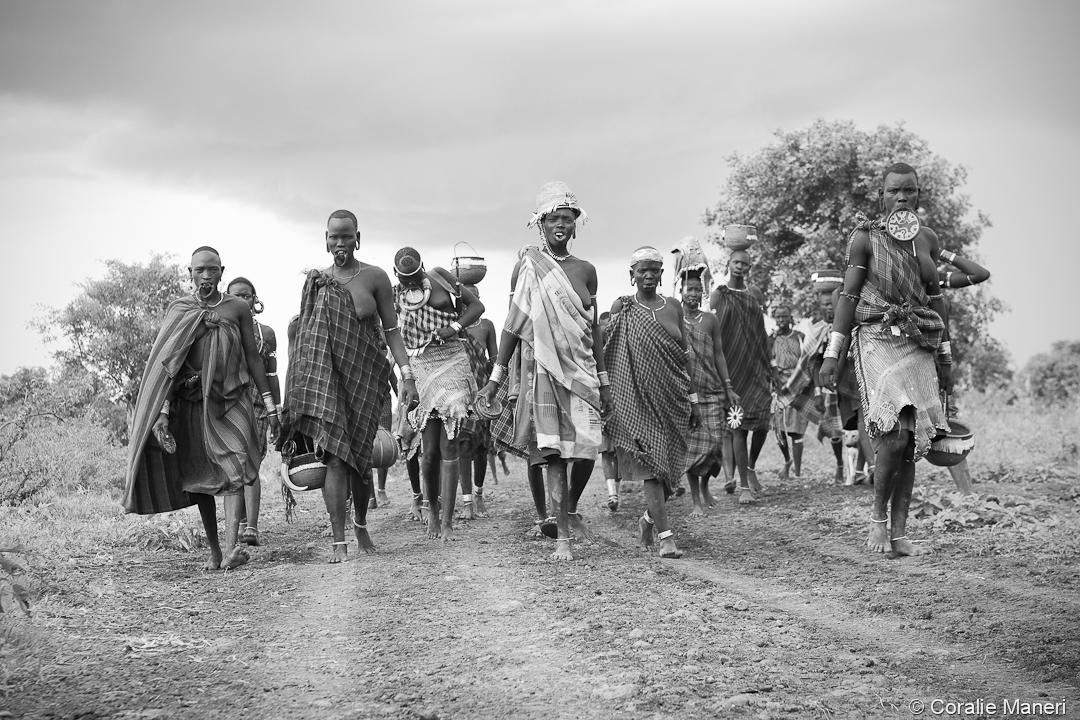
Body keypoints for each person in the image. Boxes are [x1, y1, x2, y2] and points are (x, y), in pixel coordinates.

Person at [820, 163, 952, 557]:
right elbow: (849, 296)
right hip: (876, 336)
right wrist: (833, 353)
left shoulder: (927, 238)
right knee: (893, 436)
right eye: (894, 191)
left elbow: (936, 300)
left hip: (918, 339)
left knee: (911, 441)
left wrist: (946, 357)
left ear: (919, 195)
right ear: (882, 196)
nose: (902, 197)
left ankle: (899, 532)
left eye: (909, 190)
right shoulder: (865, 237)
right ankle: (877, 518)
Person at [124, 247, 281, 571]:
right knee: (200, 479)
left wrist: (271, 406)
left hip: (232, 398)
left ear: (222, 271)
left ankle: (232, 548)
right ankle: (215, 551)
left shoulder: (237, 308)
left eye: (212, 270)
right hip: (193, 401)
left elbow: (254, 359)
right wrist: (163, 412)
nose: (206, 276)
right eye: (200, 270)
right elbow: (169, 366)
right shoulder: (180, 309)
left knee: (236, 467)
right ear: (190, 273)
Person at [482, 181, 609, 561]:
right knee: (552, 453)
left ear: (575, 224)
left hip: (582, 372)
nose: (561, 225)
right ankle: (562, 537)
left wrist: (604, 379)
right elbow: (513, 323)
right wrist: (496, 378)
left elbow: (593, 328)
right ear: (541, 224)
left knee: (586, 450)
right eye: (553, 219)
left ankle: (567, 510)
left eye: (567, 219)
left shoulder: (587, 270)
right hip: (543, 371)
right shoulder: (528, 268)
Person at [283, 210, 419, 563]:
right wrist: (295, 393)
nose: (340, 242)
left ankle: (360, 524)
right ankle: (338, 540)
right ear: (325, 239)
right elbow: (306, 340)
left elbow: (391, 331)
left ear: (358, 238)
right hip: (328, 383)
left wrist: (406, 375)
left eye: (346, 236)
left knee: (361, 458)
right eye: (334, 236)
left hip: (365, 380)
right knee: (335, 458)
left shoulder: (375, 277)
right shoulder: (316, 283)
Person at [605, 247, 698, 558]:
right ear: (631, 275)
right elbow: (610, 352)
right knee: (652, 470)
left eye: (654, 270)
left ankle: (647, 520)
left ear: (662, 274)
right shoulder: (623, 308)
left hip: (673, 400)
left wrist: (694, 400)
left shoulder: (673, 307)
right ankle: (666, 538)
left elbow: (685, 356)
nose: (648, 275)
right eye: (642, 270)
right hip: (637, 403)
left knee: (670, 472)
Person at [394, 247, 485, 541]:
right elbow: (392, 335)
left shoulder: (441, 277)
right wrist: (406, 377)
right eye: (405, 279)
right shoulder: (395, 296)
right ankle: (432, 510)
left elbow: (476, 307)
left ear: (423, 268)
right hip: (421, 365)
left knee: (449, 444)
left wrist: (454, 326)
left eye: (416, 276)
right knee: (430, 451)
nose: (412, 282)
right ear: (397, 276)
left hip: (452, 359)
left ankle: (447, 522)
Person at [709, 242, 772, 504]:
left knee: (763, 422)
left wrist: (768, 364)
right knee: (738, 427)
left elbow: (761, 331)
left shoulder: (754, 293)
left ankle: (750, 466)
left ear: (749, 267)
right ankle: (744, 486)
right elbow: (713, 332)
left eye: (745, 264)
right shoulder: (719, 294)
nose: (740, 267)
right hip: (732, 370)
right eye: (737, 262)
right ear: (729, 264)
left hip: (756, 367)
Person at [678, 265, 738, 517]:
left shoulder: (710, 320)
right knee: (693, 448)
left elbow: (719, 354)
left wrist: (728, 386)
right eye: (689, 289)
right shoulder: (674, 317)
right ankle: (696, 501)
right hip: (686, 393)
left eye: (697, 289)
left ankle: (705, 487)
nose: (693, 293)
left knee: (714, 444)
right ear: (681, 291)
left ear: (703, 293)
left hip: (712, 390)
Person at [224, 277, 279, 547]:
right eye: (235, 296)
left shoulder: (265, 333)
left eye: (246, 296)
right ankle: (241, 524)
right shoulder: (220, 331)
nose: (241, 301)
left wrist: (275, 410)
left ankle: (252, 527)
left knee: (251, 464)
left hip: (257, 405)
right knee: (234, 466)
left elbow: (271, 374)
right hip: (228, 406)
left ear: (254, 300)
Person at [937, 249, 991, 494]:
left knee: (948, 428)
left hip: (938, 365)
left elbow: (980, 274)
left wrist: (940, 253)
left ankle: (967, 497)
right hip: (902, 366)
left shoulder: (933, 279)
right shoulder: (891, 280)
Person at [459, 283, 498, 518]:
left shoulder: (487, 326)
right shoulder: (453, 326)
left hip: (483, 391)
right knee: (463, 443)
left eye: (472, 298)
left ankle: (479, 494)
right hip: (459, 391)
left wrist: (497, 388)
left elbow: (495, 360)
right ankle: (467, 502)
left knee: (481, 447)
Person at [769, 305, 807, 481]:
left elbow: (807, 360)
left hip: (797, 385)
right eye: (778, 317)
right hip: (778, 386)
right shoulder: (771, 339)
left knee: (796, 431)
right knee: (779, 428)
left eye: (784, 316)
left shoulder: (800, 337)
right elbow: (768, 360)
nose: (781, 320)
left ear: (790, 318)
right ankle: (787, 460)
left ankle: (798, 472)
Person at [596, 311, 622, 511]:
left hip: (621, 406)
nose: (607, 330)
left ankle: (616, 491)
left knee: (619, 450)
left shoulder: (620, 351)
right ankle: (612, 493)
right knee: (606, 451)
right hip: (601, 405)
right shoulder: (595, 352)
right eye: (604, 327)